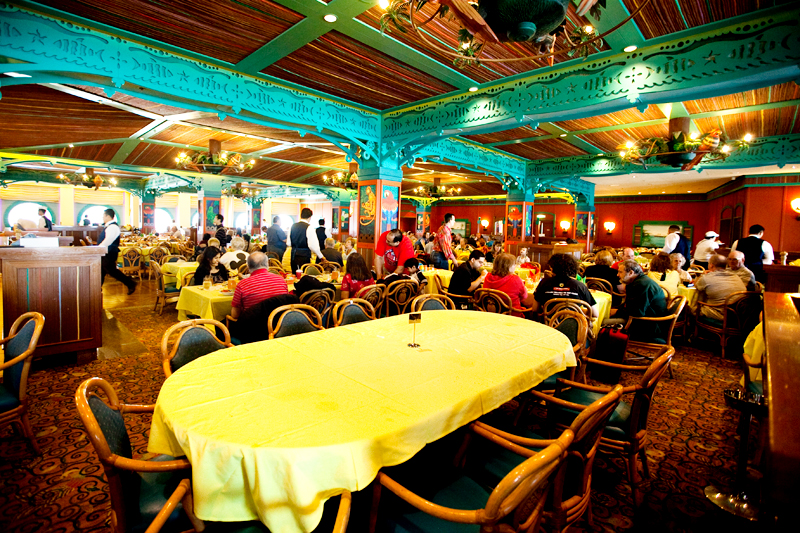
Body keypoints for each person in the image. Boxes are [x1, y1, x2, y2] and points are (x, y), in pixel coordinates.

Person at [606, 260, 669, 341]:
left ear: (631, 273)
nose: (617, 275)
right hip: (645, 320)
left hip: (649, 326)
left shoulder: (641, 285)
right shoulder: (638, 281)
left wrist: (617, 312)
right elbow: (632, 306)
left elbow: (637, 312)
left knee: (602, 323)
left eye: (620, 272)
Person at [531, 253, 598, 317]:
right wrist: (578, 312)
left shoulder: (544, 283)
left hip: (548, 326)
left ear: (552, 268)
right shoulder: (580, 286)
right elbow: (595, 314)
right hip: (574, 327)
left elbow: (535, 309)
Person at [229, 252, 289, 319]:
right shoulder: (281, 280)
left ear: (248, 266)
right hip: (278, 324)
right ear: (267, 264)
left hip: (253, 327)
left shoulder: (242, 285)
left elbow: (235, 315)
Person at [97, 208, 137, 294]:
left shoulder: (112, 227)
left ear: (108, 216)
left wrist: (98, 249)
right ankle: (97, 289)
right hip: (106, 252)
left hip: (109, 252)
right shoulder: (109, 226)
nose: (102, 217)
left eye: (103, 216)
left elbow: (107, 241)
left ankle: (130, 283)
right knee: (102, 271)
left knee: (112, 271)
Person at [695, 254, 746, 320]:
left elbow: (696, 285)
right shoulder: (735, 276)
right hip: (739, 314)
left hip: (721, 314)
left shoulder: (706, 278)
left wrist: (702, 275)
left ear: (711, 265)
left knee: (693, 305)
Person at [483, 252, 533, 317]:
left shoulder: (488, 277)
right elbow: (524, 297)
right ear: (508, 267)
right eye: (514, 264)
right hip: (512, 316)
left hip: (491, 315)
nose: (515, 266)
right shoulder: (515, 279)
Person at [288, 208, 323, 272]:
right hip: (304, 256)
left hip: (293, 255)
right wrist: (321, 256)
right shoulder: (309, 227)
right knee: (304, 276)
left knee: (295, 276)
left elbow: (288, 243)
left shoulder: (292, 226)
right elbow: (313, 246)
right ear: (310, 217)